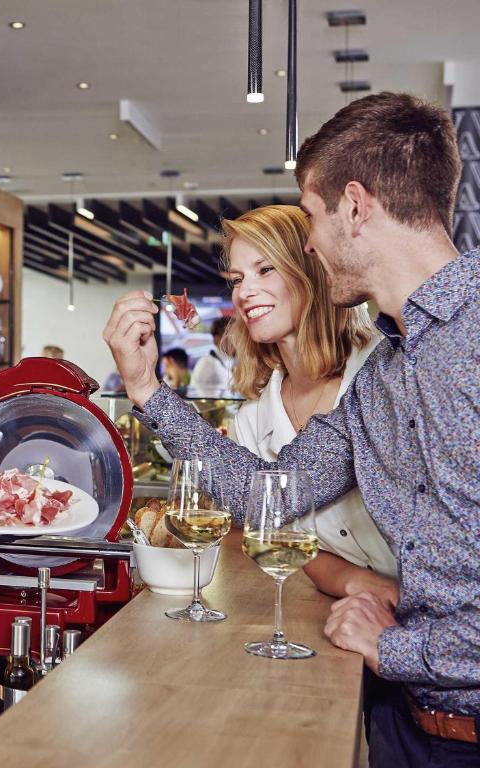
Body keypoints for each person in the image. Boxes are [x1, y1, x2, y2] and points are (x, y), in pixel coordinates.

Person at [103, 92, 479, 767]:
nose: (307, 242)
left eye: (311, 215)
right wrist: (147, 392)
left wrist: (397, 647)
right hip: (407, 729)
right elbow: (270, 493)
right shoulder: (383, 377)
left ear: (355, 207)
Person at [222, 204, 398, 606]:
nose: (244, 292)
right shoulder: (251, 420)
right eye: (237, 279)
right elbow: (286, 540)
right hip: (348, 614)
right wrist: (358, 584)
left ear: (311, 270)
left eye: (265, 269)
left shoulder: (384, 368)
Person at [189, 316, 233, 391]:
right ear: (217, 338)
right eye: (231, 335)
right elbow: (195, 393)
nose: (238, 340)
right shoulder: (207, 363)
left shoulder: (231, 361)